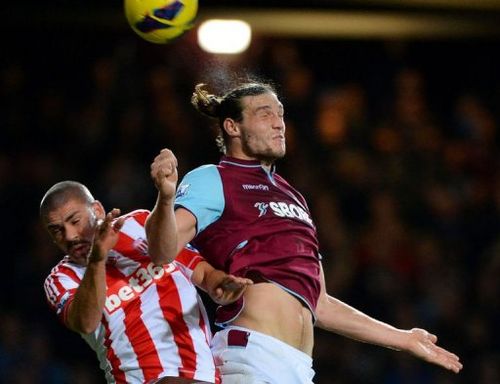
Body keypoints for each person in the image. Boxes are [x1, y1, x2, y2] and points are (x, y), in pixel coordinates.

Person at [145, 82, 463, 383]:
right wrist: (167, 197)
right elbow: (161, 252)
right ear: (232, 127)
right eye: (265, 114)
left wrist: (403, 339)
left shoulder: (293, 197)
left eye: (281, 114)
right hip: (251, 357)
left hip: (298, 367)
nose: (279, 123)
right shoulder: (215, 178)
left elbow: (320, 305)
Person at [41, 180, 252, 384]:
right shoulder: (60, 278)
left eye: (75, 221)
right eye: (57, 230)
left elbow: (203, 273)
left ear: (96, 210)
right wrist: (97, 258)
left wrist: (220, 284)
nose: (69, 236)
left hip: (204, 374)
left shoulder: (140, 223)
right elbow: (85, 322)